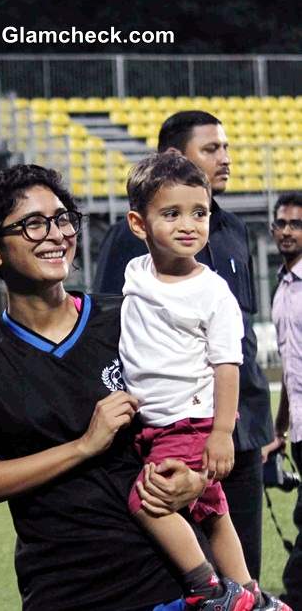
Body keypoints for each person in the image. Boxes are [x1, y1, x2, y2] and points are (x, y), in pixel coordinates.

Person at [0, 163, 217, 611]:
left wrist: (196, 478)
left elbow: (198, 413)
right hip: (63, 588)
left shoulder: (130, 315)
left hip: (169, 581)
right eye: (33, 223)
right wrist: (84, 446)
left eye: (63, 218)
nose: (56, 234)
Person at [94, 110, 273, 580]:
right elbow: (113, 328)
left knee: (236, 546)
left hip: (235, 428)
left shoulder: (233, 232)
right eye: (212, 148)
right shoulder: (130, 251)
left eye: (227, 147)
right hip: (164, 422)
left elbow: (239, 344)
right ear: (175, 158)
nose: (226, 158)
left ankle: (240, 593)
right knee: (169, 550)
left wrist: (246, 427)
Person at [121, 152, 286, 610]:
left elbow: (228, 363)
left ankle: (206, 587)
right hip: (155, 424)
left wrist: (221, 434)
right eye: (171, 214)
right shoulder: (136, 275)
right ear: (139, 224)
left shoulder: (212, 291)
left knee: (146, 502)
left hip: (189, 422)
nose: (189, 224)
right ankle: (252, 595)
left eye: (200, 212)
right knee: (213, 512)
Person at [268, 192, 302, 610]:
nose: (288, 231)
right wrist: (279, 426)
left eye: (296, 224)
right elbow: (290, 370)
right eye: (282, 224)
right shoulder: (282, 288)